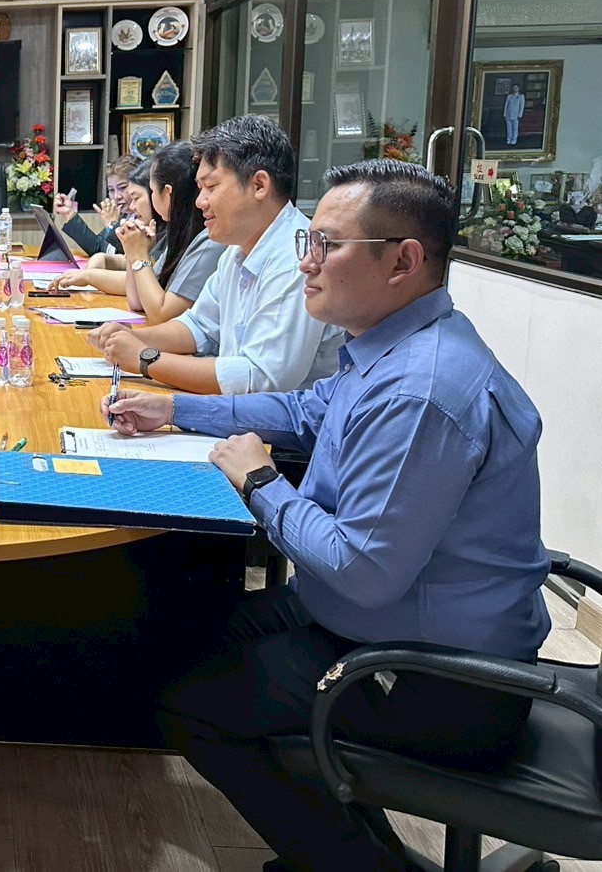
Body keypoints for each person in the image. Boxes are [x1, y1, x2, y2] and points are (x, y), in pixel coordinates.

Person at [103, 160, 550, 872]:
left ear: (402, 261)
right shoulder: (387, 346)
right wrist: (175, 408)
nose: (305, 263)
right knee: (188, 637)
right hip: (371, 618)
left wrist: (260, 483)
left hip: (438, 677)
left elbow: (361, 569)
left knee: (190, 707)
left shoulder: (421, 391)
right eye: (306, 242)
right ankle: (347, 846)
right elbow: (301, 411)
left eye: (327, 246)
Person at [88, 114, 342, 394]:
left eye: (211, 187)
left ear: (259, 185)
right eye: (199, 189)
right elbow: (198, 326)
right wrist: (132, 336)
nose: (200, 202)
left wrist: (145, 358)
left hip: (277, 421)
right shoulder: (237, 249)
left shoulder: (296, 257)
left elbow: (259, 379)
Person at [56, 143, 226, 322]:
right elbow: (137, 300)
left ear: (168, 193)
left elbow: (161, 314)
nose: (131, 205)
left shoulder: (208, 240)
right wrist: (133, 253)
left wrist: (137, 255)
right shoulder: (177, 234)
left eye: (148, 192)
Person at [52, 154, 137, 259]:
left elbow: (127, 258)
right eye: (111, 190)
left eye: (122, 188)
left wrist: (112, 225)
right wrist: (69, 213)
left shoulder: (144, 218)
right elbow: (97, 248)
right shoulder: (122, 215)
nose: (116, 196)